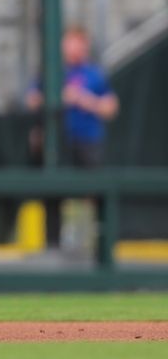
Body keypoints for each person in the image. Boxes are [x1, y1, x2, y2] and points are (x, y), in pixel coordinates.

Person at [26, 26, 119, 250]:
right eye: (69, 41)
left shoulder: (93, 74)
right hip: (58, 143)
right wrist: (56, 98)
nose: (73, 47)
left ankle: (96, 244)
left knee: (92, 192)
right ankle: (53, 246)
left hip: (87, 141)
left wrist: (85, 100)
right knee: (54, 191)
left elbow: (111, 108)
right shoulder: (52, 73)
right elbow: (31, 100)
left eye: (78, 42)